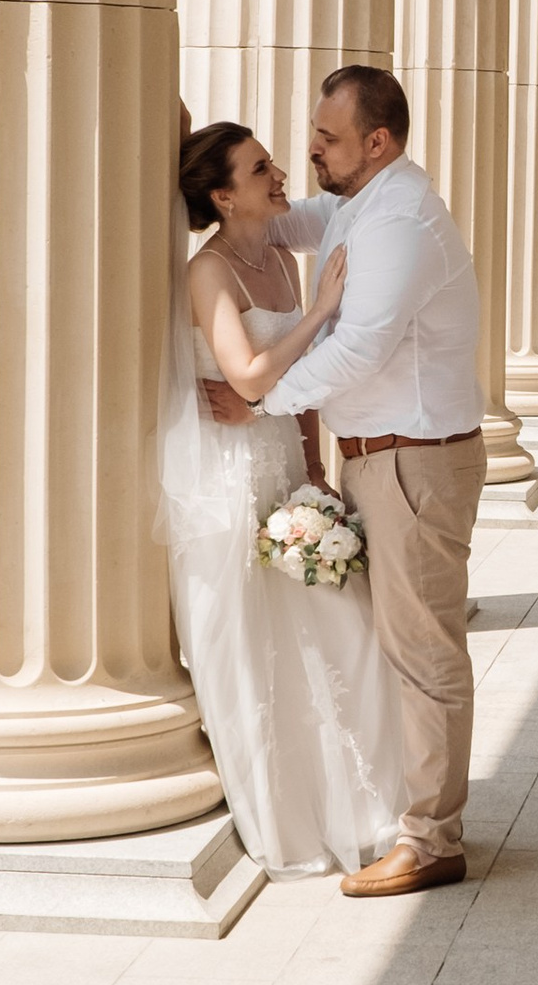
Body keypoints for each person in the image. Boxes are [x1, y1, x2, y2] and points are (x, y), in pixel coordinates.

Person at [200, 66, 485, 897]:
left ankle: (433, 840)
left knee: (423, 651)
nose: (309, 151)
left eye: (325, 139)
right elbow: (294, 219)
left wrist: (259, 403)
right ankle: (420, 814)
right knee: (399, 644)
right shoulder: (365, 202)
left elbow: (358, 348)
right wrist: (202, 173)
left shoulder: (399, 222)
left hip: (412, 460)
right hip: (380, 456)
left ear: (377, 142)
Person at [158, 119, 407, 879]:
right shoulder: (209, 273)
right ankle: (290, 815)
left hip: (284, 473)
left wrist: (315, 467)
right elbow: (250, 377)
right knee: (263, 652)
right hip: (231, 482)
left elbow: (292, 393)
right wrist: (319, 315)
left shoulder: (277, 260)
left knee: (348, 637)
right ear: (223, 195)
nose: (279, 174)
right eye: (259, 167)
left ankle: (372, 808)